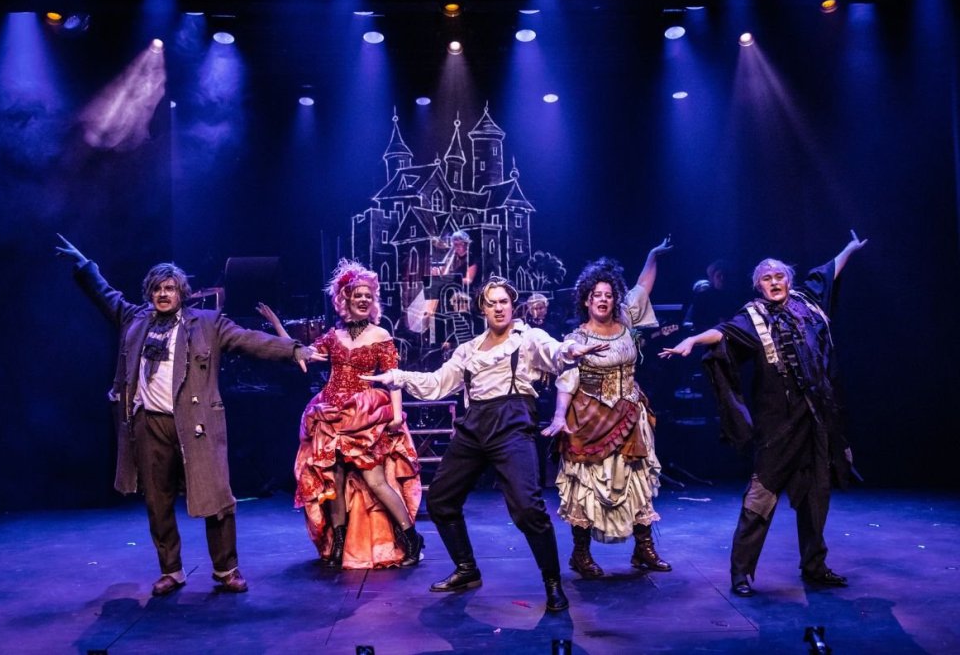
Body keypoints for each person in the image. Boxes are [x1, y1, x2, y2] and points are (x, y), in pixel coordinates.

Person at [54, 234, 322, 596]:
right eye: (157, 289)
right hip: (149, 424)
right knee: (157, 501)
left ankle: (226, 570)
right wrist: (86, 266)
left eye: (169, 288)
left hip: (197, 424)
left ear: (182, 293)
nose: (163, 294)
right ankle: (172, 570)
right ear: (149, 293)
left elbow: (250, 339)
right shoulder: (135, 320)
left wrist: (294, 351)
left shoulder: (208, 324)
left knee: (216, 498)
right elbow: (106, 295)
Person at [361, 277, 610, 612]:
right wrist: (397, 377)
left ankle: (552, 582)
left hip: (512, 422)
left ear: (512, 305)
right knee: (441, 499)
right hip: (475, 424)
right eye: (491, 303)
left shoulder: (527, 338)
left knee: (527, 508)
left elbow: (555, 352)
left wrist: (571, 351)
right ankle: (466, 569)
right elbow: (437, 383)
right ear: (483, 309)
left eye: (503, 302)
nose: (498, 308)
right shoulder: (469, 350)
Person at [659, 230, 868, 597]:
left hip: (818, 417)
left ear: (789, 279)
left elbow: (829, 271)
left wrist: (850, 248)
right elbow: (722, 333)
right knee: (761, 496)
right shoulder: (753, 317)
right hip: (779, 422)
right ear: (758, 286)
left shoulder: (808, 302)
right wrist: (691, 339)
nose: (774, 282)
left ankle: (815, 566)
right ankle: (741, 573)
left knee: (817, 494)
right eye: (767, 278)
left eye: (779, 276)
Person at [258, 260, 424, 569]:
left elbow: (393, 378)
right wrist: (279, 327)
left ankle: (411, 537)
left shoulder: (380, 335)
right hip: (332, 413)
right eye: (357, 295)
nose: (363, 300)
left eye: (368, 296)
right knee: (333, 480)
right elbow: (303, 355)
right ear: (345, 299)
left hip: (365, 414)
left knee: (375, 480)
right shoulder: (334, 336)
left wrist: (396, 414)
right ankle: (338, 542)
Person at [541, 238, 674, 580]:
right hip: (590, 418)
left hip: (629, 413)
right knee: (586, 485)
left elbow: (642, 287)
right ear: (586, 300)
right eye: (596, 295)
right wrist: (558, 417)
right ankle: (581, 554)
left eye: (608, 295)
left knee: (636, 480)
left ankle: (643, 549)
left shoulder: (626, 320)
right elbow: (567, 380)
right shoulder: (577, 339)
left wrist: (652, 255)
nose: (603, 300)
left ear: (615, 299)